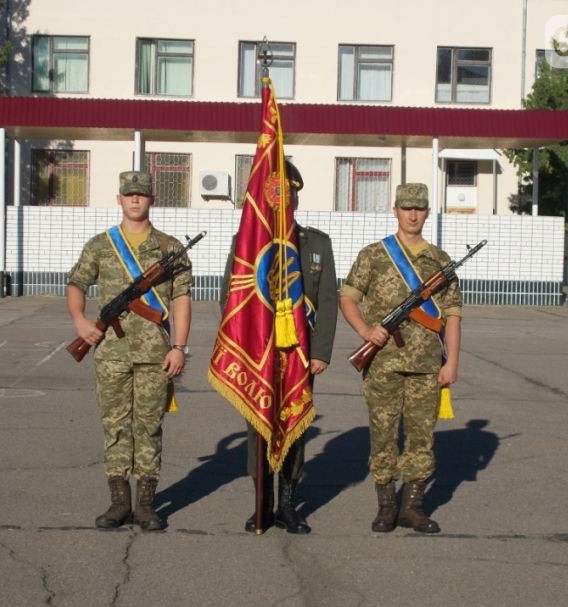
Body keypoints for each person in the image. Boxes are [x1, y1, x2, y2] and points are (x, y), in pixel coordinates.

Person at [67, 170, 193, 531]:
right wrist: (80, 321)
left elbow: (182, 299)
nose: (135, 199)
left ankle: (147, 504)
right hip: (111, 353)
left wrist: (179, 347)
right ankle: (119, 503)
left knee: (149, 426)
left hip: (156, 354)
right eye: (129, 194)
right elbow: (76, 284)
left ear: (152, 199)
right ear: (119, 199)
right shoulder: (101, 245)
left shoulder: (169, 248)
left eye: (141, 194)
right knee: (115, 426)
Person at [221, 160, 337, 534]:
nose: (284, 201)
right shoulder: (247, 243)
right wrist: (239, 346)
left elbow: (328, 300)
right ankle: (262, 504)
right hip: (257, 354)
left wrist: (320, 352)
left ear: (296, 199)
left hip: (298, 355)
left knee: (295, 426)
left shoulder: (317, 244)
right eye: (277, 194)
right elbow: (231, 297)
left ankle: (287, 504)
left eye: (289, 195)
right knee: (258, 428)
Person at [339, 183, 462, 534]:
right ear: (395, 210)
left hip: (426, 366)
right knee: (383, 434)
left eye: (419, 209)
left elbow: (452, 315)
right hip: (383, 364)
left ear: (427, 212)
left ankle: (413, 507)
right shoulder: (375, 255)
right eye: (406, 208)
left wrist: (452, 361)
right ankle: (386, 506)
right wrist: (365, 331)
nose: (412, 215)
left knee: (422, 438)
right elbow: (348, 298)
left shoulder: (439, 261)